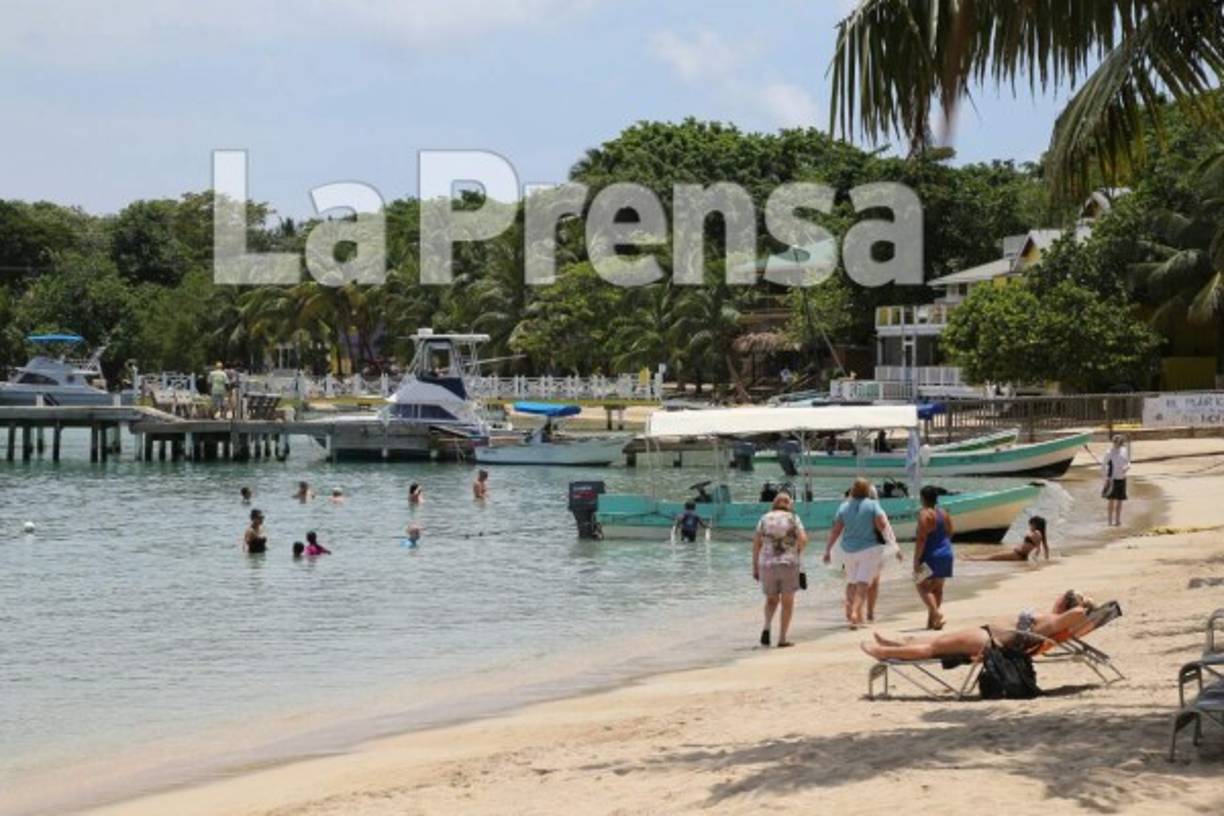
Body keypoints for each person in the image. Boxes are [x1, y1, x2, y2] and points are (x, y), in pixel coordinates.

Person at [862, 590, 1098, 661]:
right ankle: (898, 642)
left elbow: (1079, 612)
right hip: (987, 637)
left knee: (933, 649)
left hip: (988, 641)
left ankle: (884, 652)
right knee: (937, 642)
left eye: (1061, 596)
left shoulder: (1055, 621)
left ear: (1064, 604)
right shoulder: (1052, 621)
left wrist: (1085, 603)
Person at [825, 478, 891, 628]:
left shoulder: (845, 506)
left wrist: (828, 550)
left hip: (848, 549)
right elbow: (883, 526)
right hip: (870, 547)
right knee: (868, 582)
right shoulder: (873, 506)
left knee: (852, 581)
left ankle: (854, 611)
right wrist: (893, 546)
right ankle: (864, 613)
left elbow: (836, 530)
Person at [752, 493, 807, 648]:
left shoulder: (764, 518)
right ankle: (782, 638)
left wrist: (755, 567)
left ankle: (767, 626)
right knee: (787, 602)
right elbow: (803, 539)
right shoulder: (793, 518)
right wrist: (797, 550)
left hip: (767, 565)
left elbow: (756, 544)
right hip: (788, 563)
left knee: (771, 600)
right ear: (789, 504)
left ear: (774, 504)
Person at [913, 485, 955, 630]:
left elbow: (921, 539)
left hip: (931, 555)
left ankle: (936, 613)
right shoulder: (943, 513)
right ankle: (932, 622)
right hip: (946, 554)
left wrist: (916, 560)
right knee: (937, 588)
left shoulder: (924, 514)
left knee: (920, 584)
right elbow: (950, 532)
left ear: (922, 498)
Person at [968, 516, 1048, 562]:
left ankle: (971, 559)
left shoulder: (1037, 533)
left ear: (1035, 524)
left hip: (1017, 555)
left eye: (1031, 525)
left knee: (992, 558)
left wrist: (1035, 558)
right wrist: (1045, 559)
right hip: (1020, 556)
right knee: (993, 557)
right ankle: (972, 558)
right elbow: (1045, 547)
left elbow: (1038, 547)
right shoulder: (1039, 534)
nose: (1030, 527)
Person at [1103, 435, 1130, 527]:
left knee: (1120, 500)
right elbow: (1103, 466)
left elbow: (1128, 462)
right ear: (1113, 442)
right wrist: (1106, 478)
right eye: (1116, 442)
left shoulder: (1124, 451)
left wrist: (1127, 467)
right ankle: (1109, 522)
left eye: (1119, 443)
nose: (1117, 445)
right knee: (1111, 500)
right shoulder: (1108, 452)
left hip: (1122, 478)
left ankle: (1118, 521)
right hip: (1112, 479)